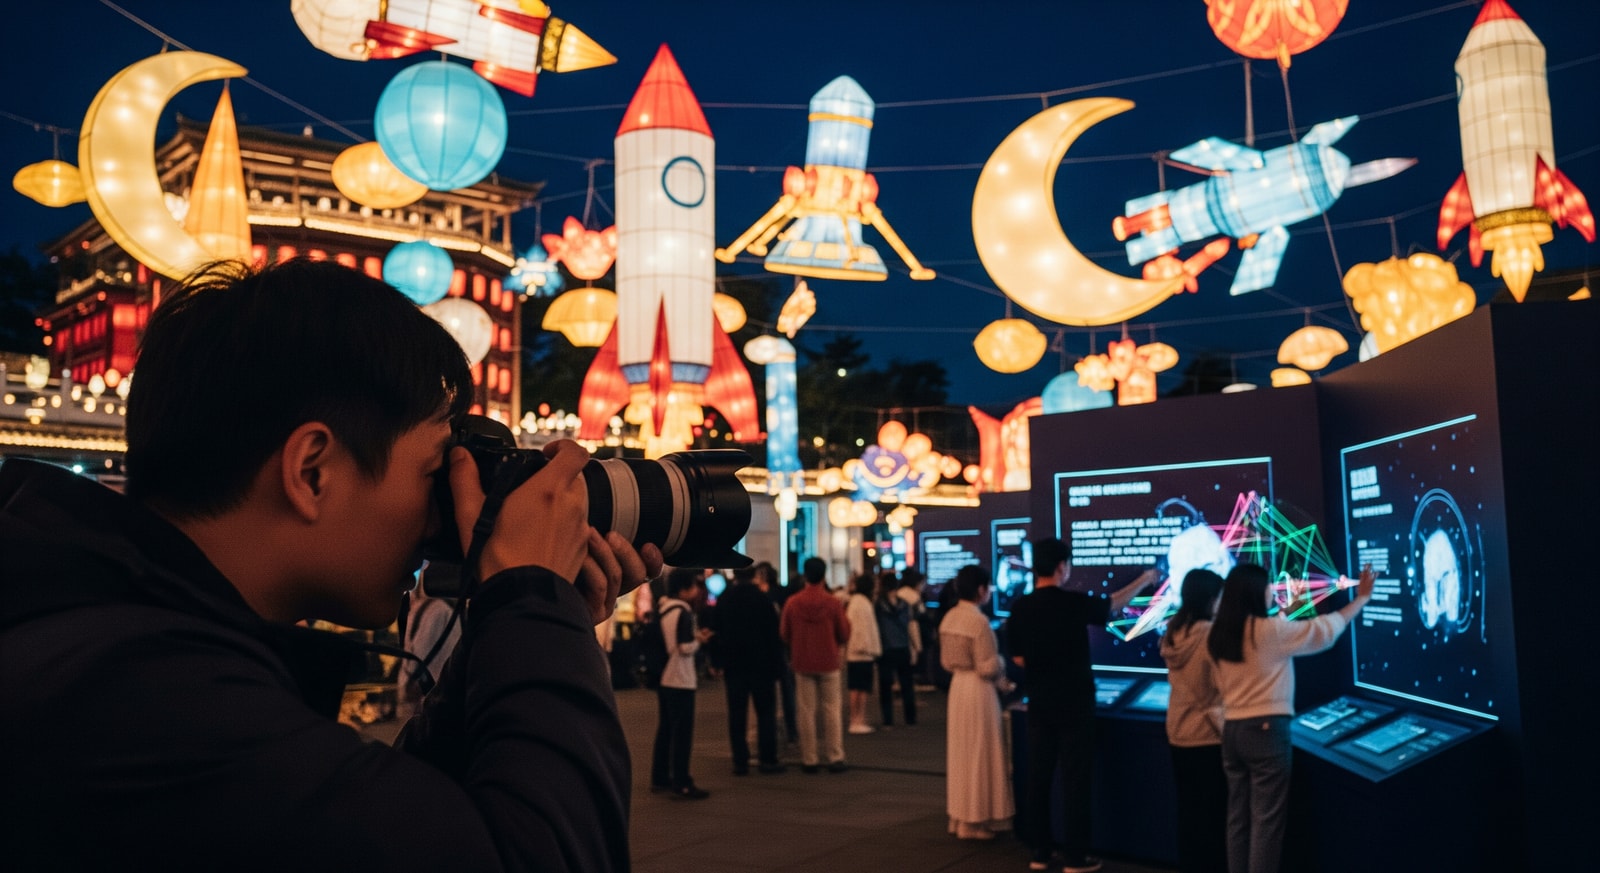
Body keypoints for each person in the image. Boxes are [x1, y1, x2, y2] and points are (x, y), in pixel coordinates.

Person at [0, 259, 662, 871]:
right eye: (434, 471)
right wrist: (532, 599)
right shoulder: (144, 700)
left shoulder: (111, 641)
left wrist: (521, 619)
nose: (442, 517)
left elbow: (392, 825)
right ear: (311, 471)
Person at [1209, 562, 1374, 873]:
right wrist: (1361, 598)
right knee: (1266, 823)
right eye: (1269, 585)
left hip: (1232, 733)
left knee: (1238, 820)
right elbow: (1324, 632)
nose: (1274, 590)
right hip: (1266, 732)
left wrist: (1291, 610)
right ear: (1256, 592)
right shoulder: (1269, 631)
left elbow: (1268, 636)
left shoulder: (1221, 632)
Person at [1004, 537, 1156, 873]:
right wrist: (1146, 579)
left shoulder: (1021, 607)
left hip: (1040, 703)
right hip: (1075, 703)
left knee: (1039, 778)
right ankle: (1076, 856)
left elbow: (1017, 657)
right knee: (1076, 781)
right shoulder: (1072, 603)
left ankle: (1039, 852)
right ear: (1062, 567)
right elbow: (1113, 605)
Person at [1159, 569, 1229, 873]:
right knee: (1212, 816)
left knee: (1188, 812)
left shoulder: (1175, 632)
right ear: (1211, 599)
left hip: (1178, 733)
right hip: (1207, 736)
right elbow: (1215, 689)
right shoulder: (1210, 636)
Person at [939, 564, 1015, 841]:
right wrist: (1003, 668)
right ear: (981, 590)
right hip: (979, 691)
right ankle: (977, 820)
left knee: (962, 753)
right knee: (982, 751)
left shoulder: (949, 618)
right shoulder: (978, 622)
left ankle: (962, 817)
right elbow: (987, 667)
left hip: (958, 688)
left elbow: (945, 662)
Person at [707, 565, 787, 775]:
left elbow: (715, 632)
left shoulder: (725, 598)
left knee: (737, 713)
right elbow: (773, 635)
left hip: (734, 665)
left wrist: (716, 662)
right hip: (762, 665)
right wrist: (778, 666)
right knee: (765, 713)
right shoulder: (762, 599)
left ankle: (740, 761)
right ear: (753, 576)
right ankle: (767, 759)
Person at [780, 556, 851, 773]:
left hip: (802, 661)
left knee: (806, 711)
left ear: (805, 575)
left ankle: (809, 758)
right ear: (824, 575)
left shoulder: (793, 602)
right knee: (832, 710)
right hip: (829, 661)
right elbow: (845, 632)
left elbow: (784, 633)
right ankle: (835, 756)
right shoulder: (832, 602)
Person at [651, 567, 715, 799]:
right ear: (684, 588)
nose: (697, 590)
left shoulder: (663, 608)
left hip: (664, 677)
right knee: (682, 733)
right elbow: (683, 647)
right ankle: (682, 781)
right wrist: (699, 640)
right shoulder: (683, 611)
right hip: (680, 678)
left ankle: (659, 777)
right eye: (693, 585)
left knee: (666, 729)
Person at [395, 562, 463, 721]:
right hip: (431, 696)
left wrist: (412, 684)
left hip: (423, 698)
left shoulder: (434, 610)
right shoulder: (441, 609)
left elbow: (421, 652)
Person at [758, 561, 802, 746]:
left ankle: (774, 730)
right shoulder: (785, 594)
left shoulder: (764, 597)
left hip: (770, 648)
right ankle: (792, 730)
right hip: (785, 647)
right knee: (788, 691)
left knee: (770, 693)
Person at [875, 570, 918, 728]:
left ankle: (888, 720)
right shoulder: (905, 604)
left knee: (885, 686)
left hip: (886, 648)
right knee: (907, 684)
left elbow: (877, 628)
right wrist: (915, 647)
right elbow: (911, 626)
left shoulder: (878, 605)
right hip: (903, 647)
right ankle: (910, 718)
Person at [844, 571, 883, 734]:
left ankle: (858, 719)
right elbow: (861, 630)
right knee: (860, 688)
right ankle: (857, 720)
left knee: (858, 687)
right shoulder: (862, 603)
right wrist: (867, 647)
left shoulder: (856, 602)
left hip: (857, 651)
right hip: (861, 652)